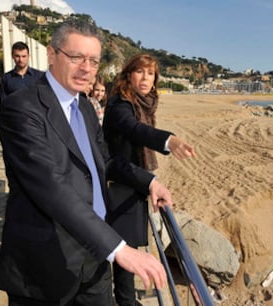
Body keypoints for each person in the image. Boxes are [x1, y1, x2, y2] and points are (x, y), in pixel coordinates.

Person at [0, 20, 171, 306]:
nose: (86, 68)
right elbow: (51, 186)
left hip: (94, 256)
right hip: (45, 266)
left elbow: (106, 161)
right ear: (52, 55)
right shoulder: (21, 107)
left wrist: (149, 181)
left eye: (93, 61)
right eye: (76, 57)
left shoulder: (86, 107)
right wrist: (119, 249)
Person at [103, 53, 196, 306]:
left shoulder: (143, 102)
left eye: (151, 73)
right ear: (129, 74)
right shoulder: (120, 103)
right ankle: (125, 301)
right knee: (124, 245)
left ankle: (125, 298)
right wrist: (170, 140)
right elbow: (136, 130)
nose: (146, 78)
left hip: (133, 180)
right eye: (140, 72)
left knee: (128, 243)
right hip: (120, 181)